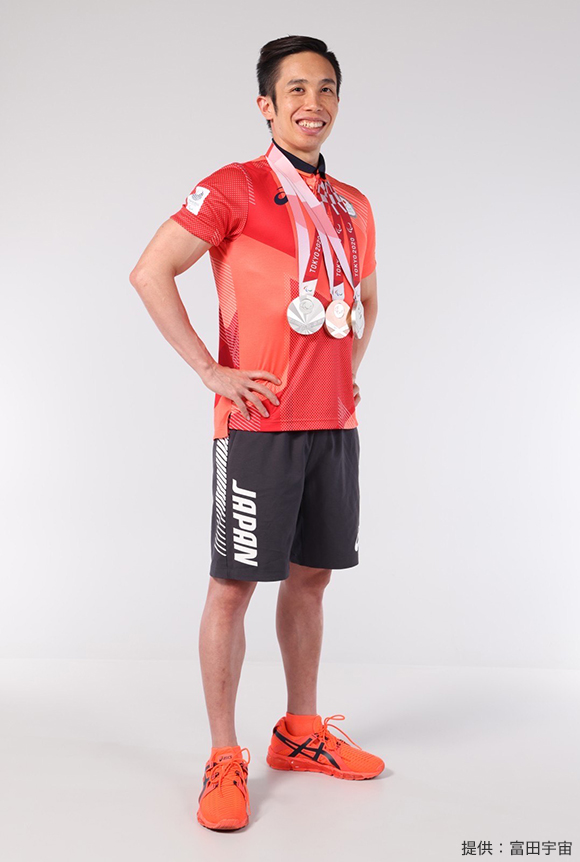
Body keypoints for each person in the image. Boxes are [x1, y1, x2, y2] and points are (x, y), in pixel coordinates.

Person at [129, 34, 383, 832]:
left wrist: (346, 370)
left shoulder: (354, 205)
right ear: (267, 105)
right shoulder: (234, 186)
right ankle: (223, 755)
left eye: (327, 88)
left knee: (312, 578)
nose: (315, 102)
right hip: (256, 426)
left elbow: (365, 301)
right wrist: (211, 370)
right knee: (233, 587)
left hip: (332, 424)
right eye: (297, 89)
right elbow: (150, 270)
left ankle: (299, 732)